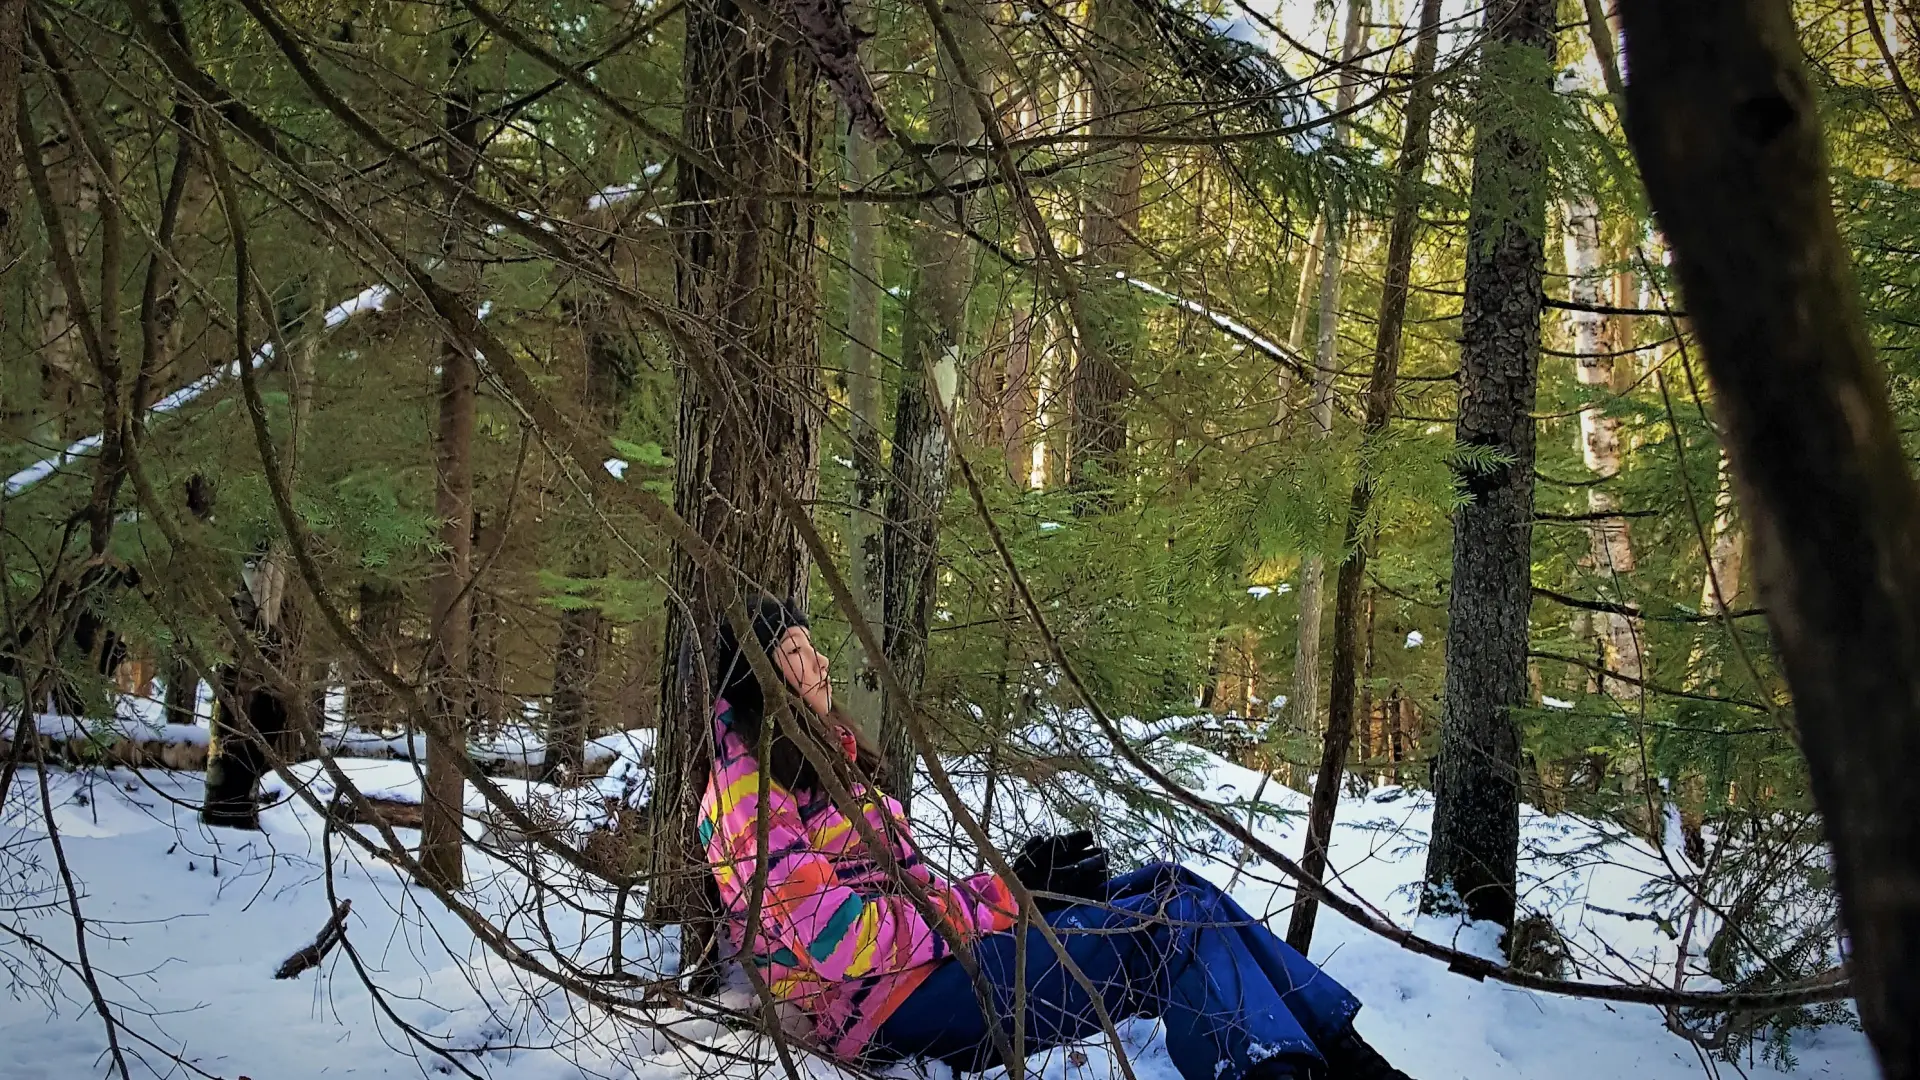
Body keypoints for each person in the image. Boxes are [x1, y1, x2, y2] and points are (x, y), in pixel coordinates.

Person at [699, 595, 1413, 1080]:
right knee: (1165, 928)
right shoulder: (745, 797)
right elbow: (839, 943)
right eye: (796, 650)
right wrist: (1001, 905)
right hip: (879, 1011)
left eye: (812, 644)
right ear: (759, 678)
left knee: (1170, 887)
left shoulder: (819, 764)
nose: (821, 662)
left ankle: (1339, 1050)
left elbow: (916, 898)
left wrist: (1020, 886)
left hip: (935, 972)